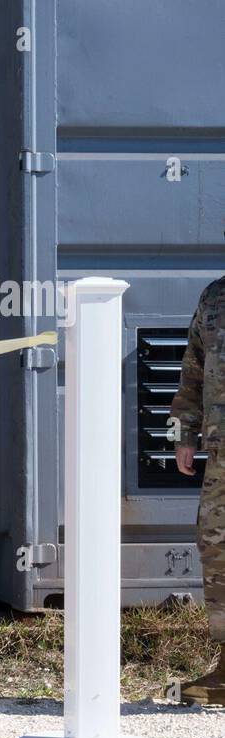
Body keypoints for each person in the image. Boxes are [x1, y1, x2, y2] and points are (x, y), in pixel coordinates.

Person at [171, 274, 225, 705]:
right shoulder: (215, 296)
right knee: (218, 550)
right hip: (221, 454)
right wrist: (185, 434)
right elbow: (193, 370)